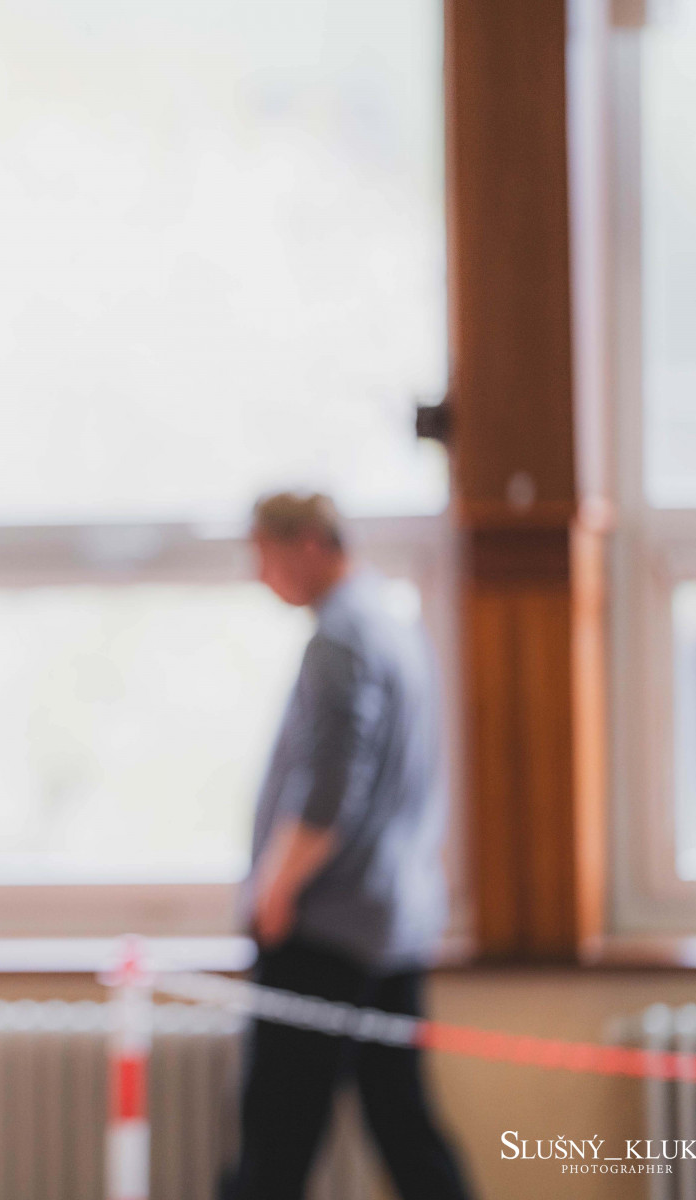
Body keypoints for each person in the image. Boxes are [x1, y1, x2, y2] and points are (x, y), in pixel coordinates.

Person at [227, 492, 471, 1200]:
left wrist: (275, 889)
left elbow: (331, 788)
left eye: (266, 557)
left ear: (309, 544)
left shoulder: (340, 637)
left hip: (327, 928)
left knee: (275, 1138)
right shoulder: (393, 626)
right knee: (404, 1125)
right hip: (391, 918)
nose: (261, 576)